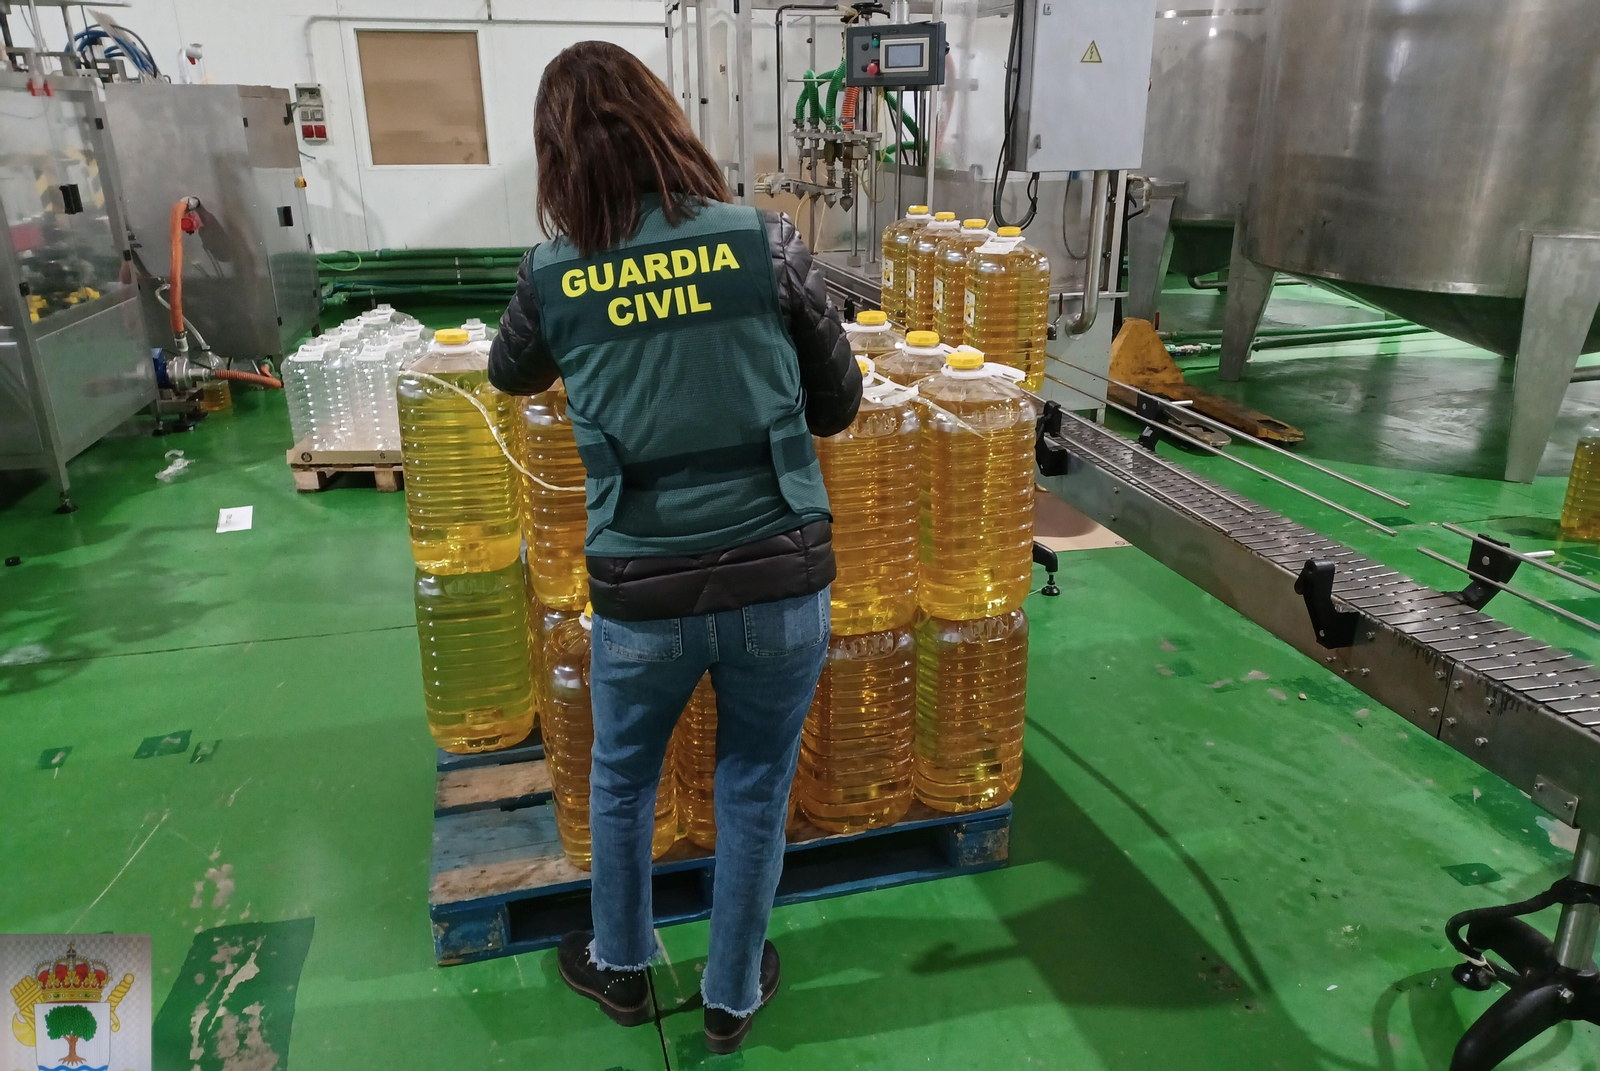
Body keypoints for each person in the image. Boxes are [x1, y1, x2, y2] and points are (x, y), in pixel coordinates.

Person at [488, 40, 861, 1054]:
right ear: (667, 121)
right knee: (752, 786)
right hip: (780, 584)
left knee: (621, 780)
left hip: (639, 593)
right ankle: (731, 993)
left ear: (554, 154)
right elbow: (838, 405)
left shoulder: (552, 274)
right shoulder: (764, 243)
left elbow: (508, 375)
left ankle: (619, 968)